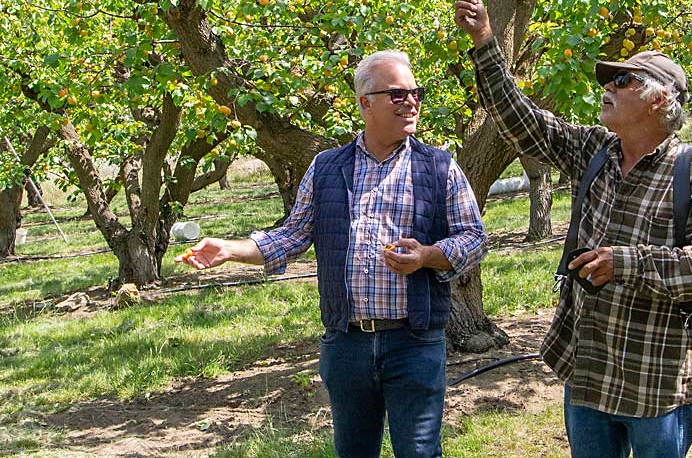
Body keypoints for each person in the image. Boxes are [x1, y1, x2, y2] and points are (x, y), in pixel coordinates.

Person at [454, 0, 692, 458]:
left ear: (660, 98)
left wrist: (625, 263)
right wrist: (485, 40)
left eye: (622, 80)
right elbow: (524, 122)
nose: (607, 87)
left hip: (654, 377)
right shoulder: (596, 152)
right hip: (587, 370)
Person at [176, 49, 487, 458]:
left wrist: (429, 255)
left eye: (416, 92)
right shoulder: (327, 167)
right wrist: (230, 250)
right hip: (347, 344)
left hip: (414, 341)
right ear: (365, 103)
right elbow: (292, 235)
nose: (411, 102)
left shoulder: (439, 166)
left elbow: (474, 238)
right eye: (398, 94)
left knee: (420, 452)